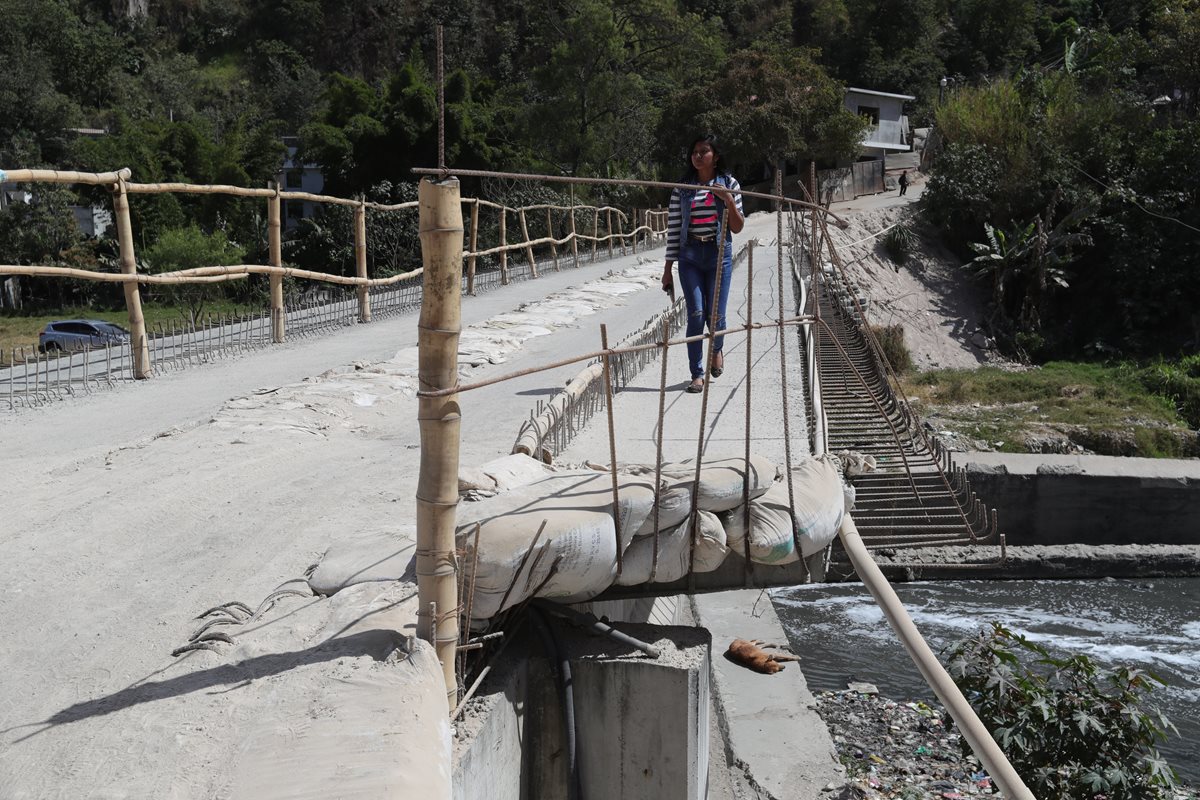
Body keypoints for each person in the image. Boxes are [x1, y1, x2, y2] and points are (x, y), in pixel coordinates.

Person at [661, 134, 745, 394]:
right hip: (690, 256)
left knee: (716, 315)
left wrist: (727, 199)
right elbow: (674, 229)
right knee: (696, 314)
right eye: (694, 152)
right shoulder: (682, 189)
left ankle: (717, 348)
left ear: (715, 156)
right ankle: (697, 373)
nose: (697, 156)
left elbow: (738, 227)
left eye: (704, 151)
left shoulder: (730, 183)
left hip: (719, 254)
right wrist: (667, 270)